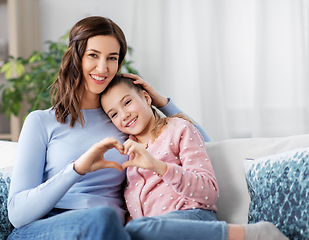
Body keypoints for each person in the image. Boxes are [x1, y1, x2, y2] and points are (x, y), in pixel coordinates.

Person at [6, 16, 210, 239]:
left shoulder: (123, 121)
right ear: (76, 57)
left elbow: (204, 143)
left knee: (112, 222)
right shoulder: (41, 121)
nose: (102, 68)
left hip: (111, 230)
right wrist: (77, 169)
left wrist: (160, 101)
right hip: (48, 227)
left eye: (111, 58)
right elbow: (17, 214)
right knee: (102, 217)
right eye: (93, 55)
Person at [100, 75, 289, 240]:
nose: (124, 115)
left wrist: (159, 167)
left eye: (127, 102)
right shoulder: (126, 152)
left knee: (137, 229)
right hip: (157, 232)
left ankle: (254, 234)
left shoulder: (178, 129)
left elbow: (209, 192)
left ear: (146, 97)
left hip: (192, 217)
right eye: (114, 114)